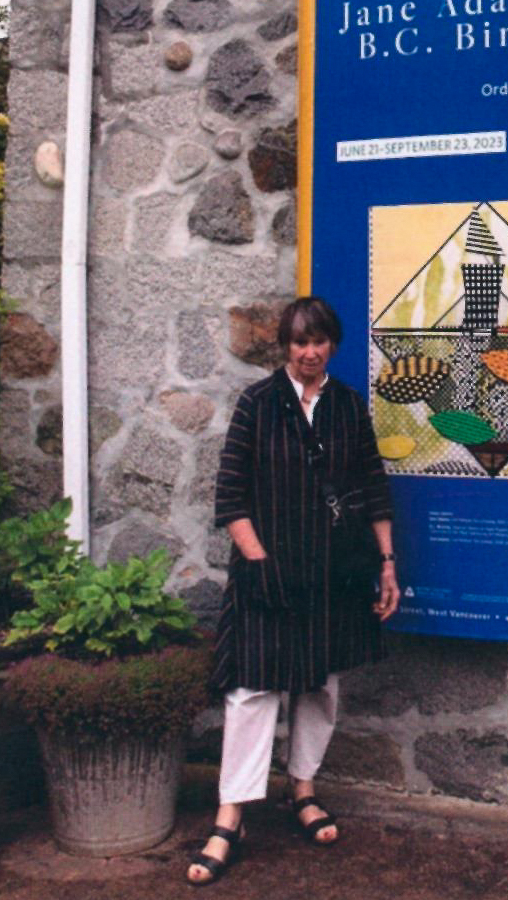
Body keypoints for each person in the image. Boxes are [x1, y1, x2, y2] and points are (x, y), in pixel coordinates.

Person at [187, 295, 399, 886]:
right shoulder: (257, 404)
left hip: (334, 572)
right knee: (251, 690)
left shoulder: (348, 406)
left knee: (320, 685)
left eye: (319, 341)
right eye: (300, 342)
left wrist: (386, 563)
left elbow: (373, 488)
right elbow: (230, 496)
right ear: (286, 346)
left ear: (333, 345)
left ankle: (302, 789)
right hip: (268, 571)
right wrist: (259, 561)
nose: (309, 352)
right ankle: (231, 816)